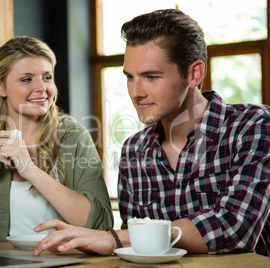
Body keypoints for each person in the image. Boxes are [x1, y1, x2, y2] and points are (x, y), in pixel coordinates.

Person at [33, 9, 270, 256]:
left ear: (194, 74)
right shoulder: (133, 150)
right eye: (129, 77)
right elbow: (136, 250)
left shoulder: (253, 127)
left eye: (151, 77)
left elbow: (235, 226)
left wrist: (115, 238)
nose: (136, 92)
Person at [0, 36, 113, 242]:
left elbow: (101, 225)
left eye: (47, 77)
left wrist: (30, 170)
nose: (42, 88)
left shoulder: (74, 139)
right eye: (27, 79)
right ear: (0, 87)